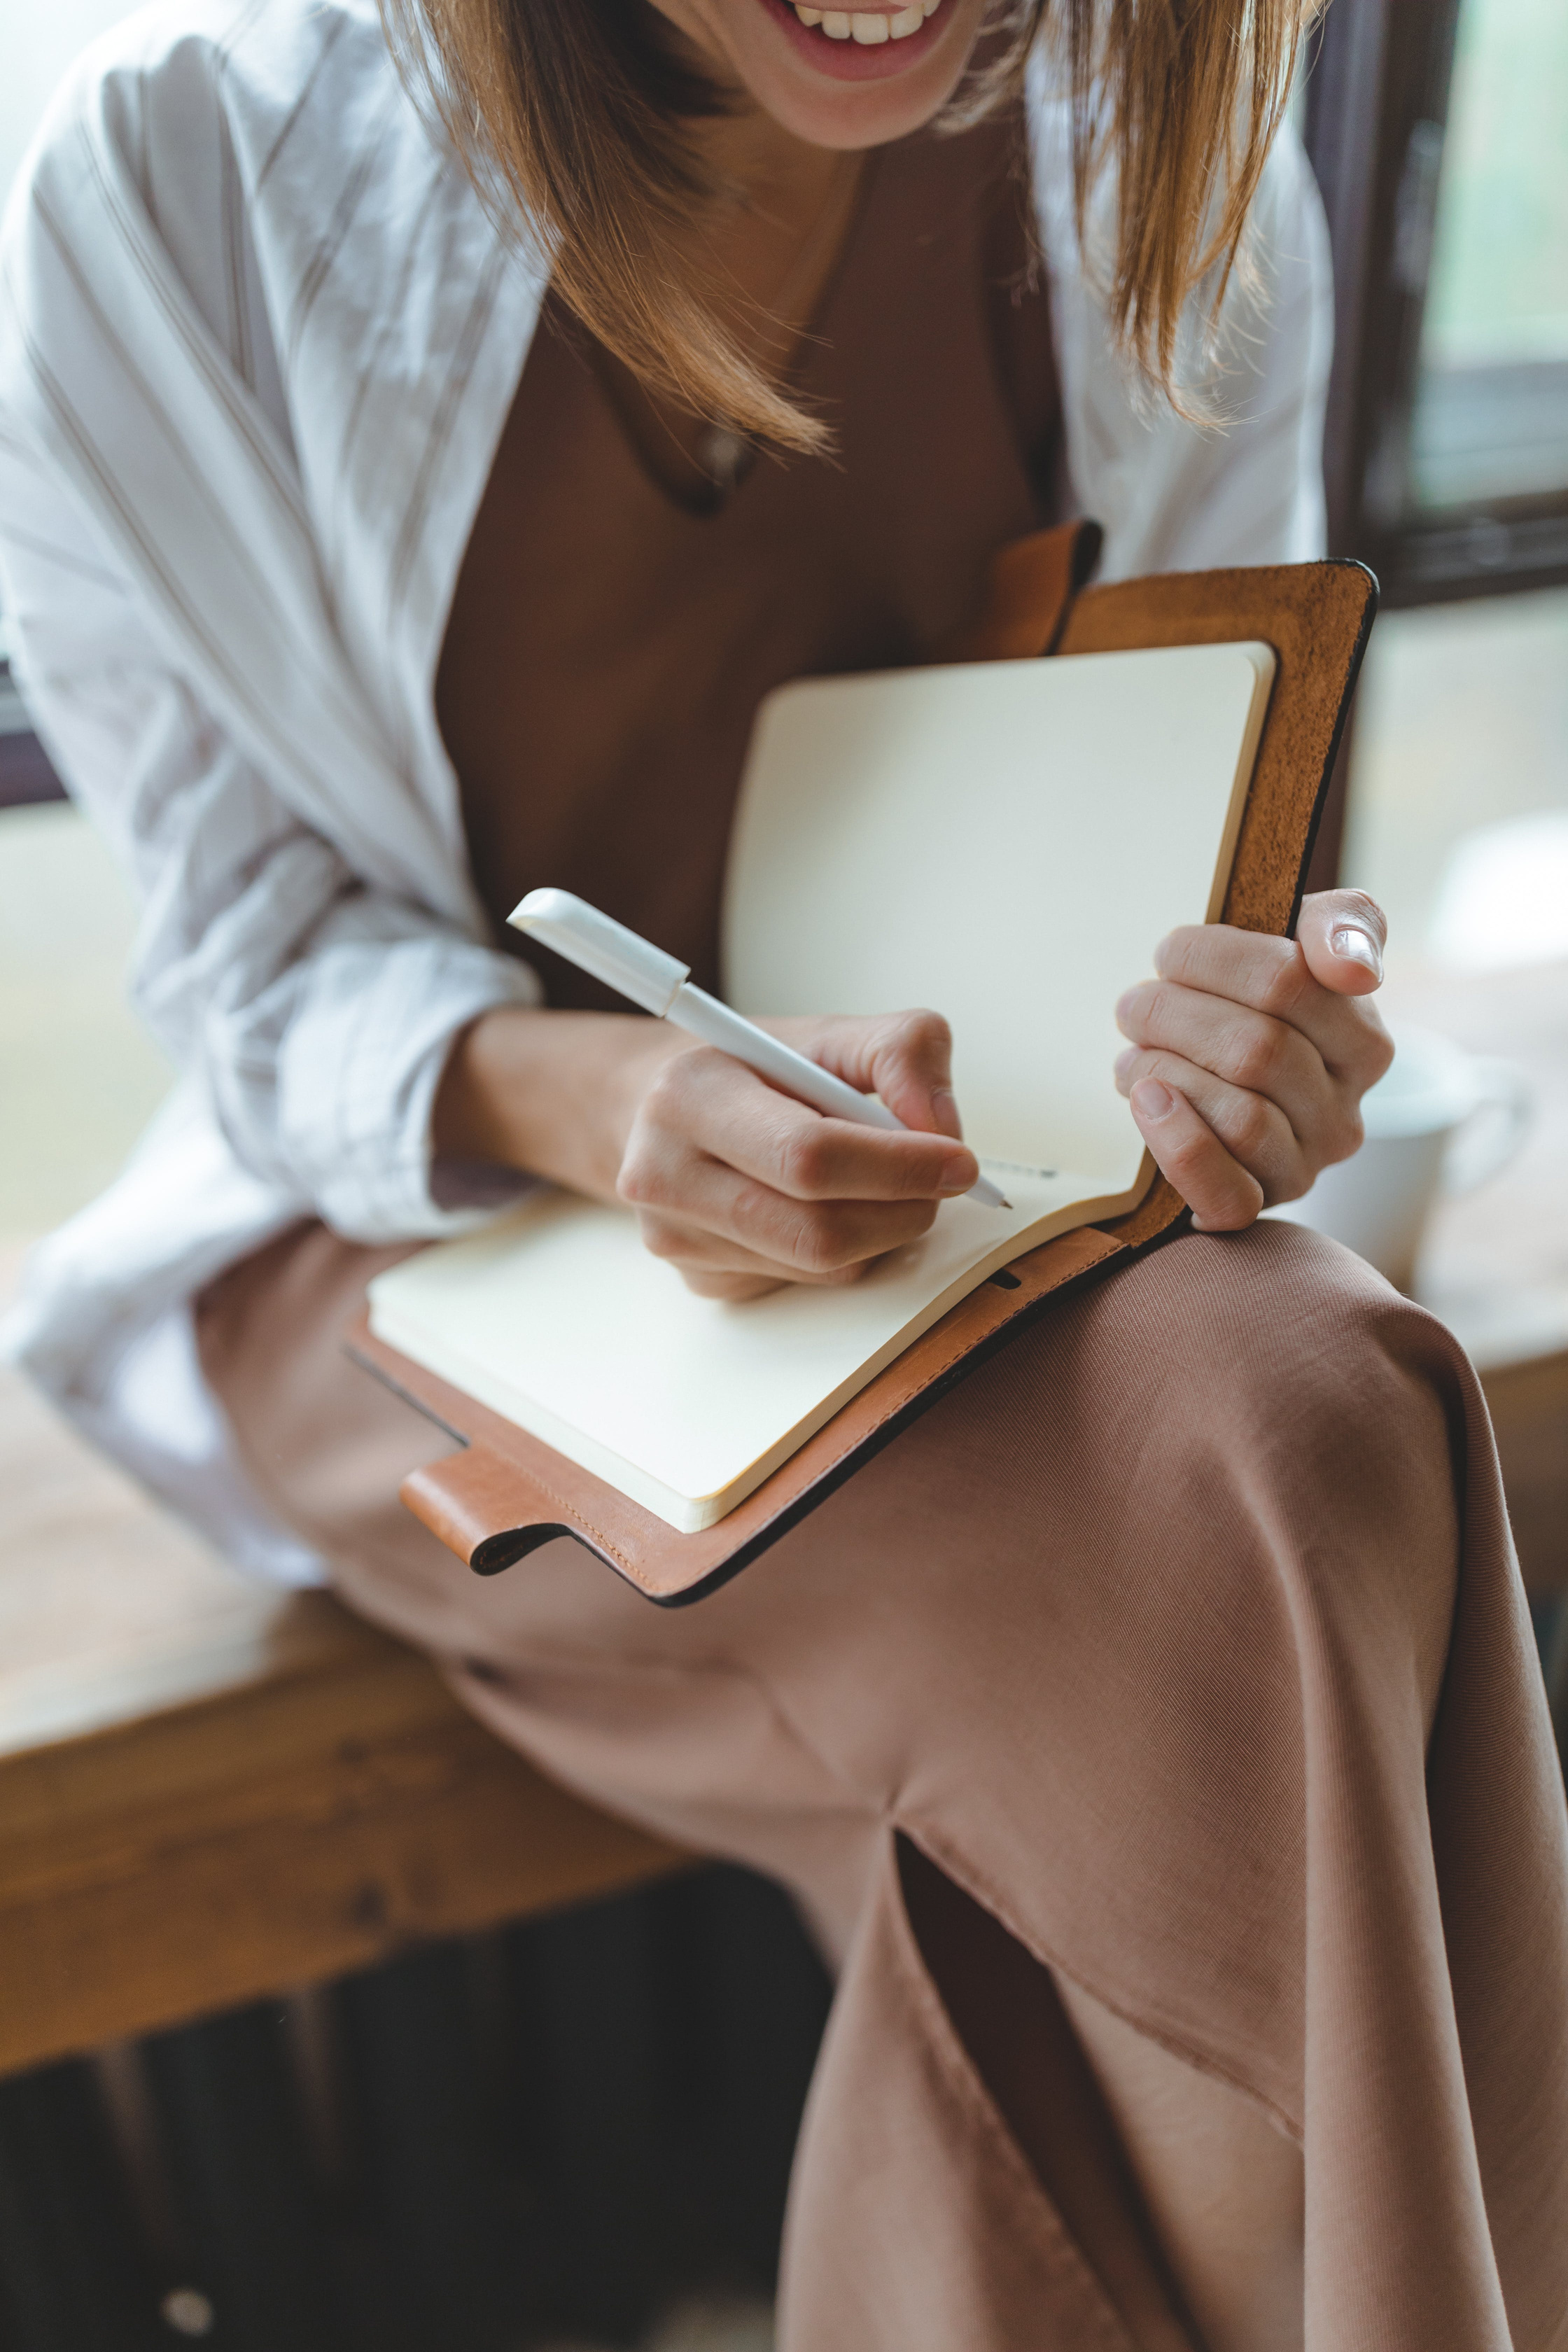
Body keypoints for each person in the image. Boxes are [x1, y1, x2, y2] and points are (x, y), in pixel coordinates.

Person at [1, 0, 1564, 2344]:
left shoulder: (1167, 141)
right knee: (1269, 1485)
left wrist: (1264, 1020)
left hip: (972, 1251)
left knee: (1291, 1406)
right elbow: (252, 977)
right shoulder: (176, 189)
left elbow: (1230, 826)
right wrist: (613, 1104)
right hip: (415, 1268)